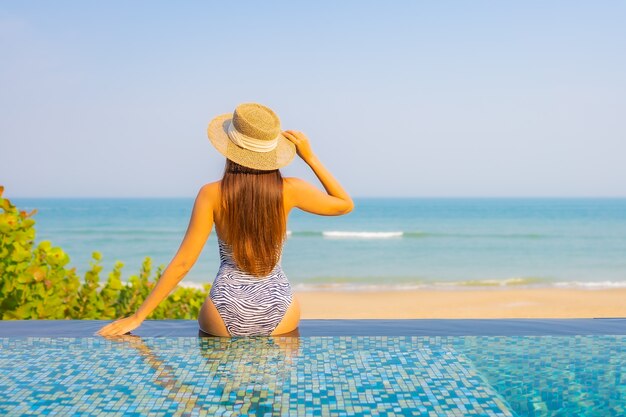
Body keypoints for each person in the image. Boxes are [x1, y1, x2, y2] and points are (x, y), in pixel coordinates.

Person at [96, 102, 353, 337]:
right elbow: (344, 204)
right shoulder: (290, 189)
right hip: (278, 308)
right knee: (273, 382)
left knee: (225, 380)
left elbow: (184, 262)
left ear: (230, 148)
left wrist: (139, 316)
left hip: (224, 309)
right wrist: (309, 157)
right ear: (273, 151)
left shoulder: (212, 194)